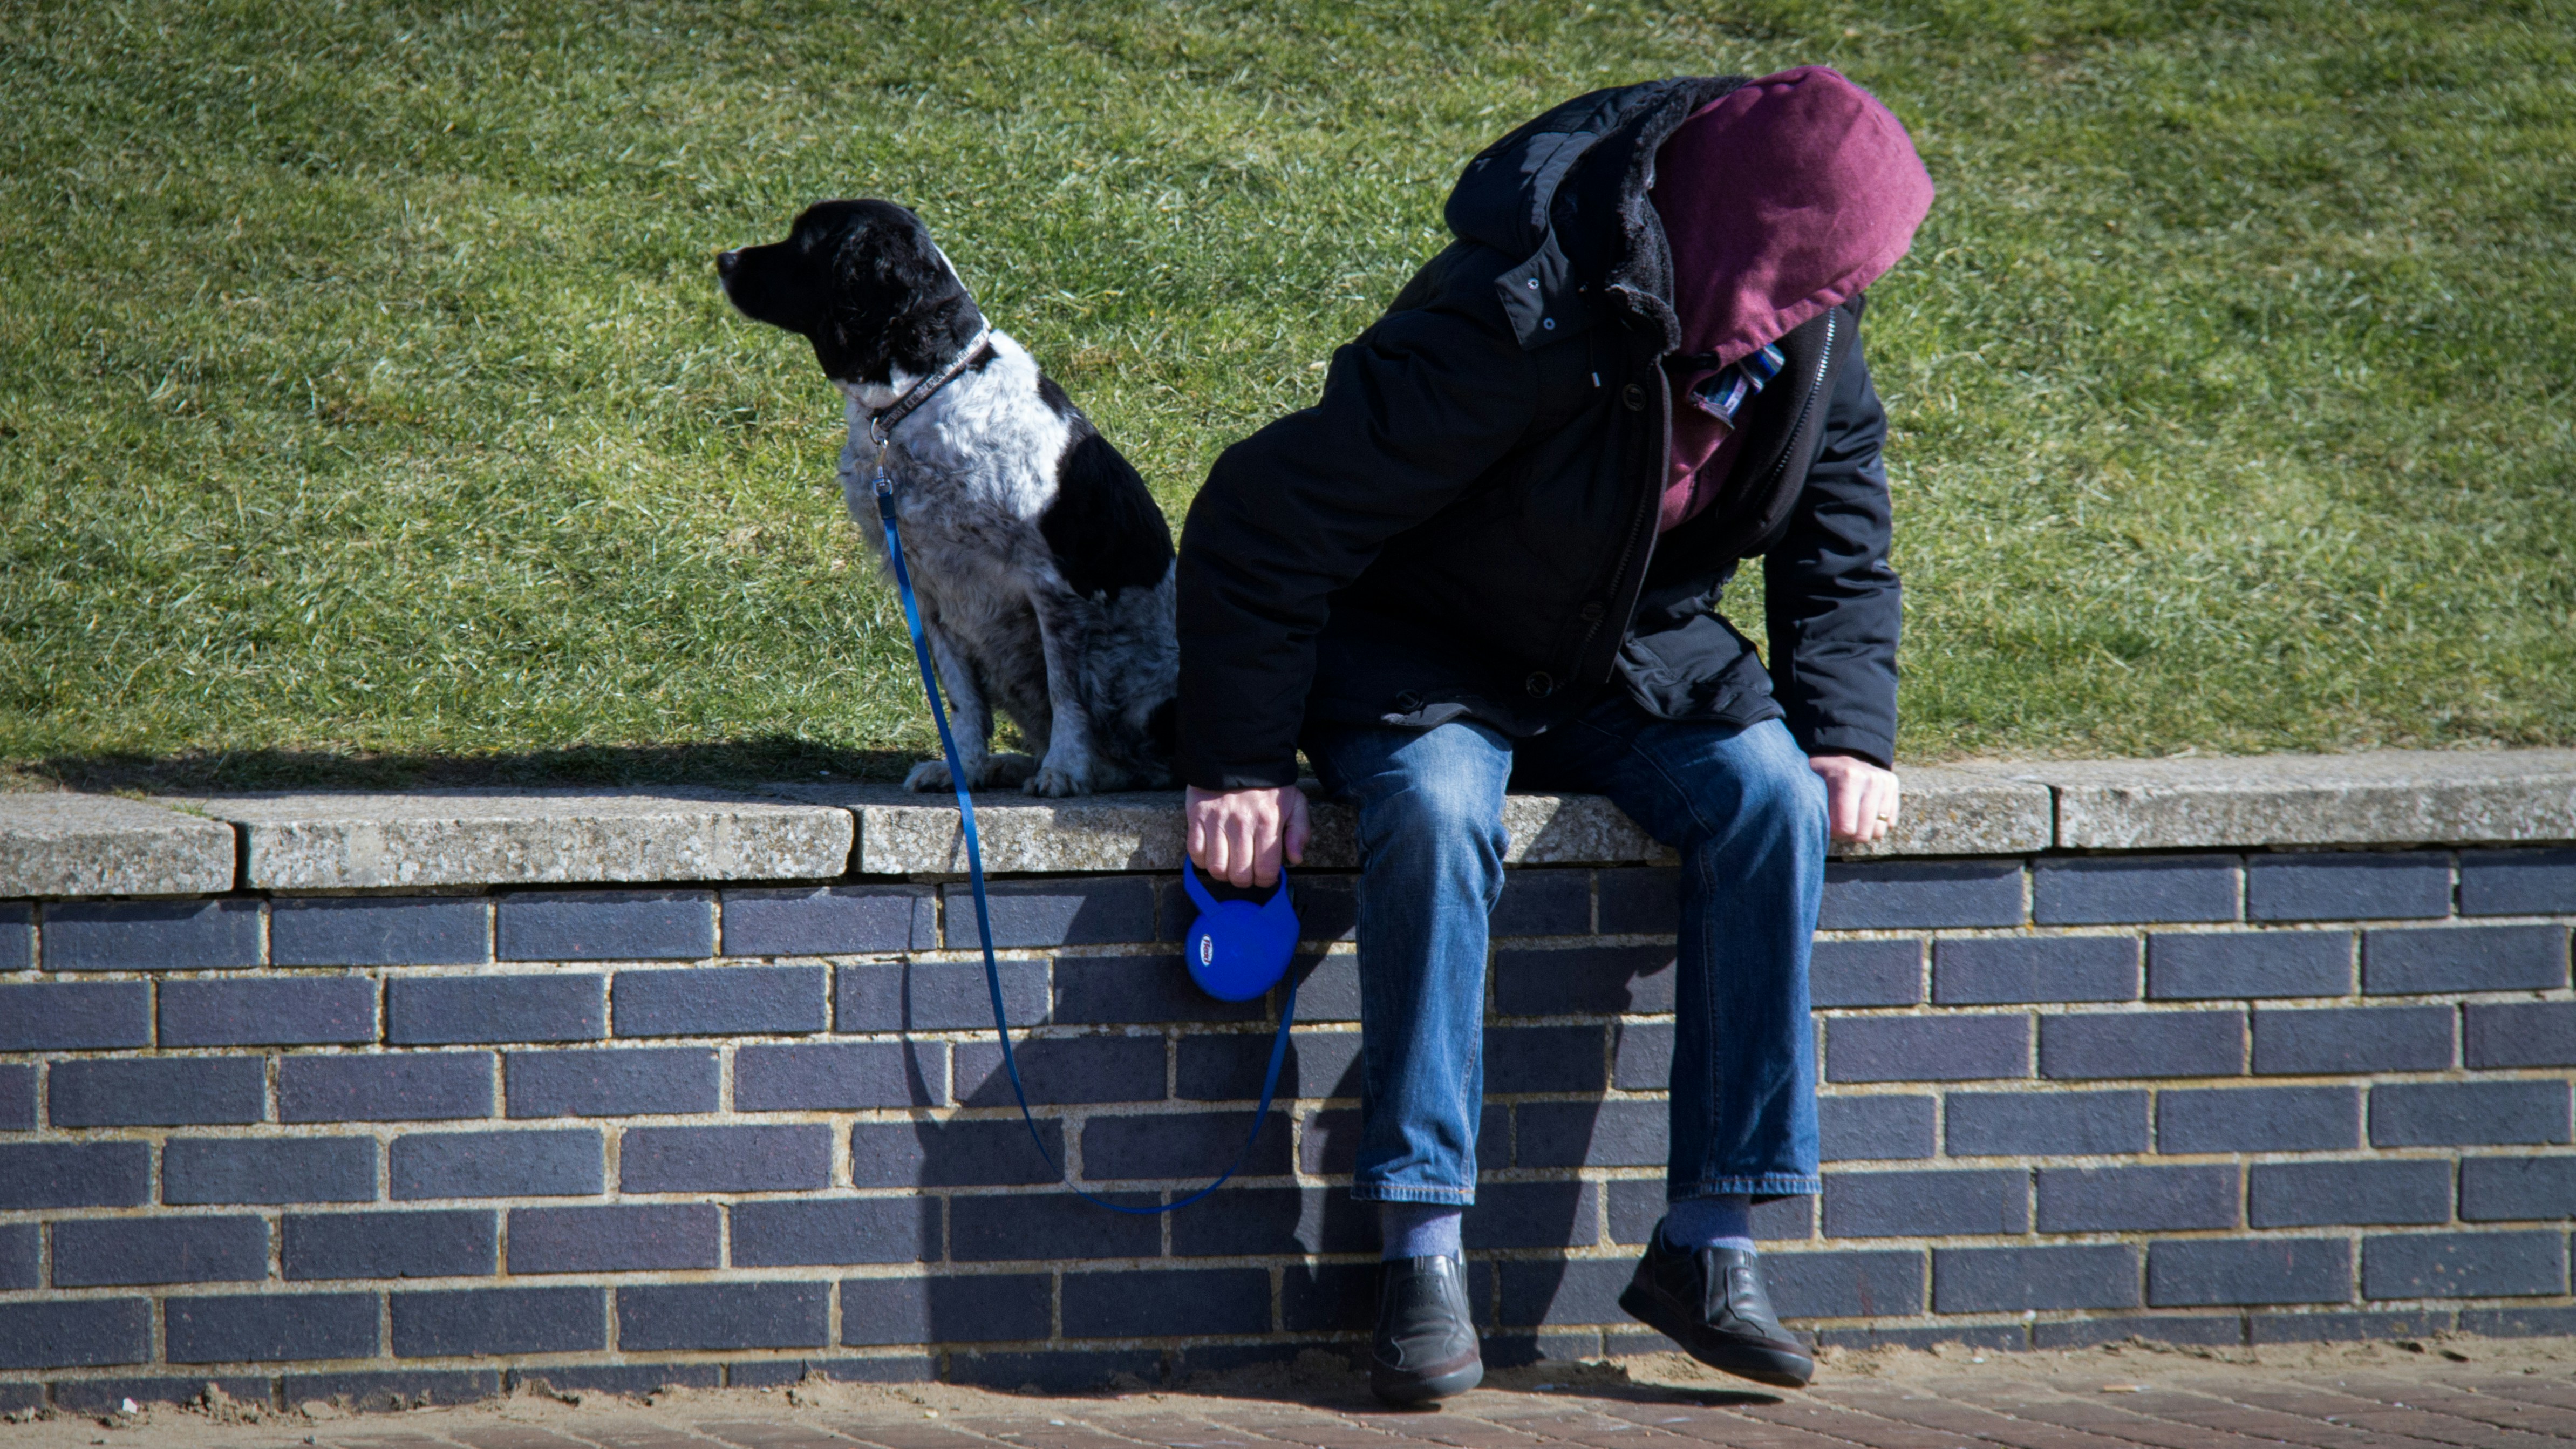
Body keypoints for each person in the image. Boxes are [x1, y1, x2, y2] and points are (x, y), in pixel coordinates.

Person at [1174, 69, 1933, 1402]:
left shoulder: (1805, 325)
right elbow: (1264, 510)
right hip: (1424, 644)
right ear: (1746, 233)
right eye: (1817, 266)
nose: (1836, 295)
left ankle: (1711, 1236)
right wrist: (1238, 759)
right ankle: (1420, 1246)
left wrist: (1847, 733)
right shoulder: (1518, 306)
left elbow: (1840, 525)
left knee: (1766, 800)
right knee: (1437, 811)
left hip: (1625, 646)